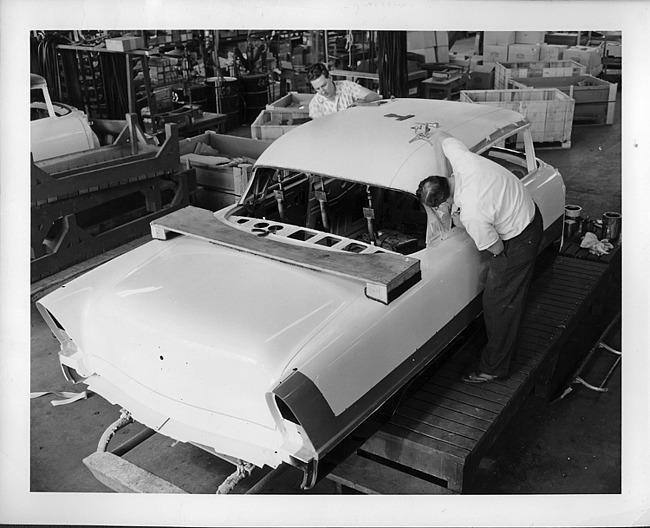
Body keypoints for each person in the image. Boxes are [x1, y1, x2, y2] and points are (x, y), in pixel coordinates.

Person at [417, 131, 543, 384]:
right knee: (503, 299)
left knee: (498, 304)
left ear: (443, 204)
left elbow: (496, 249)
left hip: (519, 239)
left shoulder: (472, 213)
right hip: (525, 209)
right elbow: (441, 136)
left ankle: (494, 368)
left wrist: (456, 221)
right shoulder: (463, 160)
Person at [307, 62, 381, 119]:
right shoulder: (315, 105)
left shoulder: (346, 86)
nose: (322, 91)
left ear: (330, 77)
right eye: (317, 89)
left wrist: (361, 101)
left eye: (324, 85)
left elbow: (374, 96)